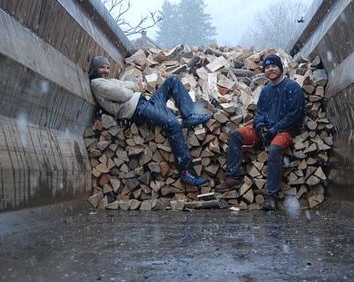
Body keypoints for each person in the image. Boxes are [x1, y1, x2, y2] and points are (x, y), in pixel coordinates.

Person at [88, 56, 210, 186]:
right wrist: (126, 86)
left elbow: (133, 85)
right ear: (95, 68)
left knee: (173, 80)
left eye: (107, 67)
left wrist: (126, 86)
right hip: (137, 110)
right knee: (173, 124)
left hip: (145, 102)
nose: (106, 70)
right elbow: (125, 94)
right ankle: (186, 171)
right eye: (102, 67)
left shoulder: (109, 81)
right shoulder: (97, 84)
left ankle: (189, 116)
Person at [215, 54, 305, 210]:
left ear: (280, 68)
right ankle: (233, 177)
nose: (270, 70)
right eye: (267, 67)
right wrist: (260, 127)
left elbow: (294, 115)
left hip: (285, 130)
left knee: (275, 149)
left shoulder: (292, 88)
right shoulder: (265, 91)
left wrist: (274, 130)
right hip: (267, 129)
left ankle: (271, 195)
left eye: (274, 66)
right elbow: (260, 113)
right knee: (236, 135)